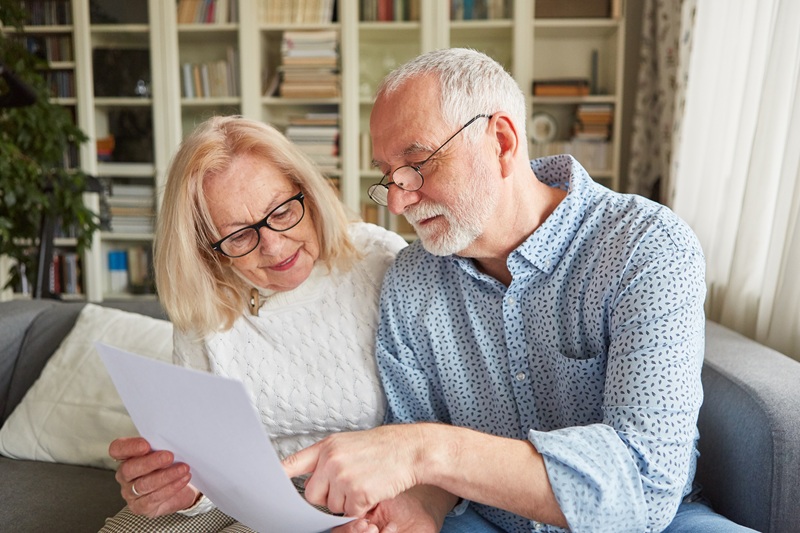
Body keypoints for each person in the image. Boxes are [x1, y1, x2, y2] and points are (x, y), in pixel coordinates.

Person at [283, 48, 758, 532]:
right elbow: (426, 472)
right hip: (488, 522)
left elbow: (644, 488)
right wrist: (419, 505)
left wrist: (426, 450)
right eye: (389, 176)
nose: (399, 200)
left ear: (502, 141)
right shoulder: (411, 281)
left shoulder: (644, 246)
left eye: (418, 163)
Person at [100, 115, 412, 532]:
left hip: (364, 495)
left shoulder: (380, 261)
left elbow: (426, 431)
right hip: (240, 500)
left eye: (282, 211)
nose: (274, 246)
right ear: (208, 249)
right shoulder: (206, 299)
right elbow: (204, 461)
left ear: (310, 192)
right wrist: (181, 487)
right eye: (240, 236)